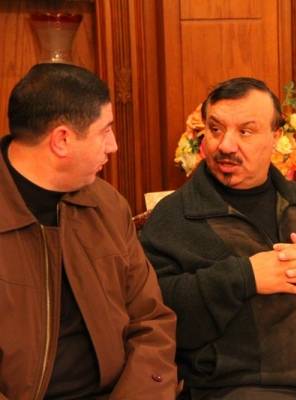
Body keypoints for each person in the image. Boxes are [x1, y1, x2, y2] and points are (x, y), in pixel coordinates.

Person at [140, 77, 296, 399]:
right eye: (215, 129)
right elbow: (158, 316)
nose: (225, 145)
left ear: (275, 137)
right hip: (249, 387)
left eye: (245, 131)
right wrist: (244, 277)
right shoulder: (177, 216)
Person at [0, 63, 178, 399]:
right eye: (105, 130)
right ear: (62, 140)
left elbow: (151, 322)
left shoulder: (106, 204)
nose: (113, 145)